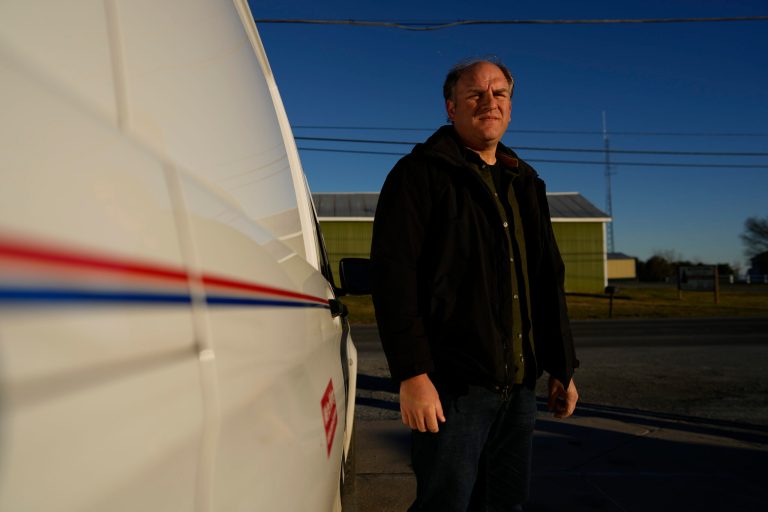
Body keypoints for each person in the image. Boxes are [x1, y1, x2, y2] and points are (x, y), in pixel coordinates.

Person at [370, 59, 579, 511]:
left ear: (510, 105)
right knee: (445, 505)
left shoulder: (526, 183)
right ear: (451, 107)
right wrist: (412, 375)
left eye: (499, 93)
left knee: (505, 505)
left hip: (519, 390)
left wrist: (562, 366)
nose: (490, 102)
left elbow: (546, 279)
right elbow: (395, 279)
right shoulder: (418, 176)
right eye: (475, 94)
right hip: (452, 390)